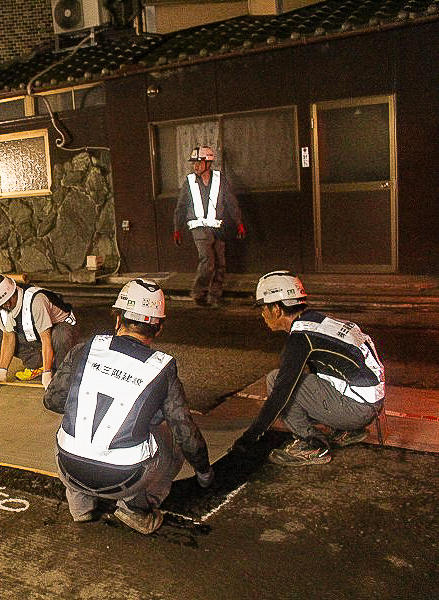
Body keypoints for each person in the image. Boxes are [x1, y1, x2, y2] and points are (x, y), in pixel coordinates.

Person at [43, 278, 213, 533]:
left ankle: (80, 506)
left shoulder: (85, 349)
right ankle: (135, 509)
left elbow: (53, 401)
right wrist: (203, 471)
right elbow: (185, 432)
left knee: (71, 426)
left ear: (117, 319)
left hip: (69, 467)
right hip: (126, 479)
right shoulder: (163, 367)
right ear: (158, 328)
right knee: (171, 437)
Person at [233, 271, 386, 466]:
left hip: (358, 409)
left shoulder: (300, 338)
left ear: (276, 309)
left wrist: (249, 438)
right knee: (305, 379)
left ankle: (312, 444)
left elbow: (281, 393)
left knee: (275, 380)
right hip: (370, 402)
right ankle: (344, 430)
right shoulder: (318, 322)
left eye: (263, 308)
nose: (262, 314)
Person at [172, 145, 246, 307]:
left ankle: (214, 296)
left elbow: (231, 202)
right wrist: (177, 228)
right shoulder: (189, 181)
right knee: (208, 261)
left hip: (218, 228)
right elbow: (181, 206)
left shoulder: (220, 179)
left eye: (199, 162)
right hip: (199, 228)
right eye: (194, 163)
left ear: (208, 163)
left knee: (220, 263)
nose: (195, 166)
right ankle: (198, 292)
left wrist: (239, 222)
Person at [0, 274, 79, 390]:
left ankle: (60, 372)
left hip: (62, 329)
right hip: (37, 331)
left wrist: (47, 374)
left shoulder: (36, 300)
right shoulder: (3, 305)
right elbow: (8, 338)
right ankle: (37, 364)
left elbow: (46, 339)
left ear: (7, 301)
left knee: (61, 335)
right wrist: (2, 370)